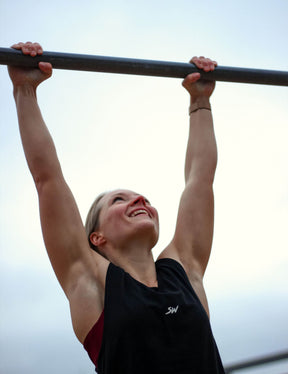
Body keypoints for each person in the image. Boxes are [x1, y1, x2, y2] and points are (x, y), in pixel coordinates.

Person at [8, 41, 225, 373]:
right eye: (119, 200)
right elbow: (47, 180)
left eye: (143, 198)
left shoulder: (186, 269)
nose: (140, 200)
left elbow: (200, 179)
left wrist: (200, 102)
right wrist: (25, 92)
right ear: (96, 238)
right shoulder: (91, 282)